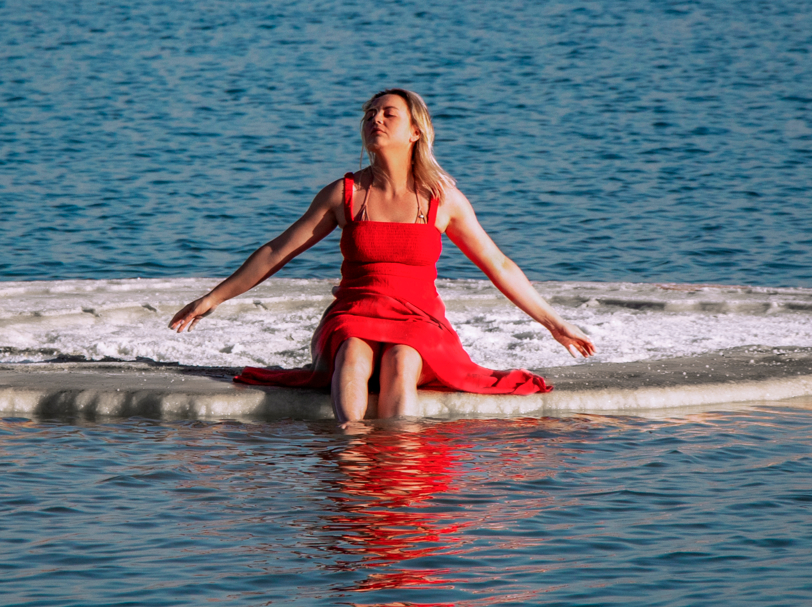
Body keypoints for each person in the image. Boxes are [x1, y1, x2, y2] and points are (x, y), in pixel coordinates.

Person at [168, 88, 595, 423]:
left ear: (415, 131)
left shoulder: (442, 200)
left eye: (388, 113)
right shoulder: (345, 193)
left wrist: (554, 322)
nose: (376, 119)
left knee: (402, 356)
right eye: (370, 113)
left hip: (418, 321)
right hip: (353, 314)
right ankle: (350, 457)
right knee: (353, 350)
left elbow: (498, 264)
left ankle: (399, 464)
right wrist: (213, 298)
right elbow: (278, 250)